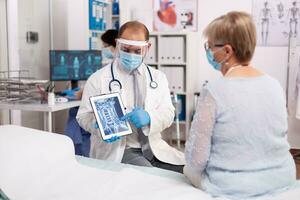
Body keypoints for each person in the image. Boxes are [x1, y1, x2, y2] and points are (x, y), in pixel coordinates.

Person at [184, 11, 296, 199]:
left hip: (231, 185)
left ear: (227, 51)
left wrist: (189, 168)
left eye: (209, 46)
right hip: (282, 177)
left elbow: (196, 159)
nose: (208, 52)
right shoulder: (274, 85)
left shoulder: (214, 90)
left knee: (188, 169)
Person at [76, 21, 185, 173]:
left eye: (137, 51)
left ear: (147, 48)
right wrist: (98, 126)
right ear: (118, 45)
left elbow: (168, 113)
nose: (131, 55)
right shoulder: (98, 79)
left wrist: (149, 117)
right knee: (152, 177)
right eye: (126, 50)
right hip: (120, 150)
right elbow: (83, 116)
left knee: (189, 171)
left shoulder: (158, 78)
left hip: (154, 148)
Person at [63, 29, 118, 156]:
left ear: (115, 45)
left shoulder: (113, 68)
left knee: (75, 117)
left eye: (105, 46)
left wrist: (83, 93)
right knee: (76, 115)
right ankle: (74, 150)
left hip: (105, 118)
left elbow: (105, 91)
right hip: (96, 121)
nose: (103, 49)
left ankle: (74, 151)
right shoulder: (106, 67)